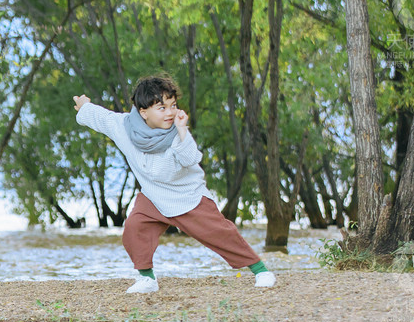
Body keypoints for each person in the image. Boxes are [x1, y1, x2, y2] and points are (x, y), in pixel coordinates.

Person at [73, 74, 276, 294]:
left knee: (219, 233)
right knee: (134, 228)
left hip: (187, 196)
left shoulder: (177, 133)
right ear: (143, 112)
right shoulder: (124, 127)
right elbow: (102, 118)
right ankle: (147, 278)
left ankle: (261, 270)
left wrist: (181, 131)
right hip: (153, 196)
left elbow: (191, 159)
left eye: (173, 105)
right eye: (162, 108)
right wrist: (85, 106)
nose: (170, 112)